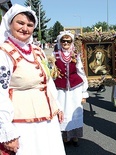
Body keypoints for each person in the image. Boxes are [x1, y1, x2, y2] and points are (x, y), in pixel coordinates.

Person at [0, 4, 65, 155]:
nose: (25, 28)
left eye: (30, 25)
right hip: (24, 124)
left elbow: (48, 81)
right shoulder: (3, 54)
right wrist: (7, 131)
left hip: (48, 122)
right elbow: (0, 93)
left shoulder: (37, 50)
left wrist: (58, 105)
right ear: (10, 23)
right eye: (20, 23)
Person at [52, 31, 89, 147]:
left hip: (75, 89)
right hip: (60, 89)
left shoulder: (75, 55)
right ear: (60, 42)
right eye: (63, 41)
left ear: (72, 42)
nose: (66, 43)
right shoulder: (54, 55)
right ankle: (65, 137)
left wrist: (84, 92)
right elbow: (51, 73)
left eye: (68, 41)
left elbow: (81, 71)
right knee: (62, 112)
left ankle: (75, 136)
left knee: (75, 111)